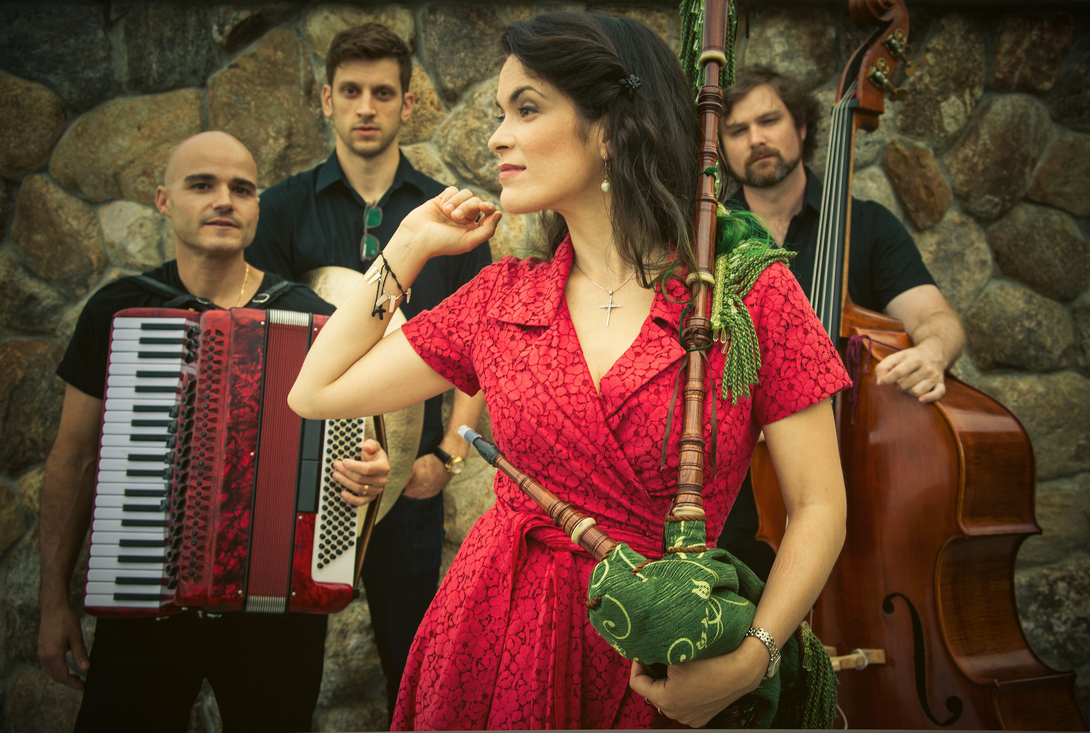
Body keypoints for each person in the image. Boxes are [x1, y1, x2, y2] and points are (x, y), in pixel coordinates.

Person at [288, 13, 850, 730]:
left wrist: (753, 657)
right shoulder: (501, 299)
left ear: (611, 128)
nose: (497, 136)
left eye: (526, 109)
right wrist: (406, 245)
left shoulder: (745, 294)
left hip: (660, 645)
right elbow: (316, 390)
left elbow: (820, 507)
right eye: (500, 113)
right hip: (495, 635)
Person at [37, 131, 390, 732]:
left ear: (257, 208)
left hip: (276, 615)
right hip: (142, 608)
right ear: (164, 200)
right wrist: (53, 602)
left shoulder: (314, 319)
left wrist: (367, 474)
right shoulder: (117, 310)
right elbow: (72, 460)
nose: (224, 200)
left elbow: (360, 449)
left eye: (242, 189)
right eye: (202, 185)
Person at [243, 24, 492, 716]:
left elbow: (475, 352)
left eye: (383, 93)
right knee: (282, 675)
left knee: (412, 666)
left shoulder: (449, 213)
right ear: (326, 98)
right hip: (298, 476)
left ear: (408, 104)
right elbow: (264, 345)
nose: (366, 107)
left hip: (410, 484)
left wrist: (447, 458)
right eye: (350, 91)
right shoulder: (281, 210)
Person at [715, 66, 966, 580]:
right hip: (742, 496)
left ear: (802, 127)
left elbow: (935, 317)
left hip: (865, 476)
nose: (756, 139)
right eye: (737, 130)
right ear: (720, 147)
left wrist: (933, 351)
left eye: (769, 120)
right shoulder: (709, 239)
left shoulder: (868, 226)